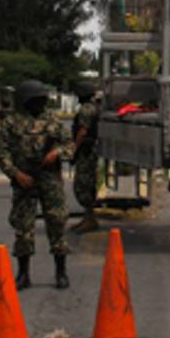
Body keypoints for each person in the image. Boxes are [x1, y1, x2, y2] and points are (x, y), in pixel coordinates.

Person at [0, 80, 75, 290]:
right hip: (24, 179)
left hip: (49, 178)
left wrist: (56, 153)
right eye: (36, 99)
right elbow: (2, 154)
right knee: (23, 227)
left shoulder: (52, 121)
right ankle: (23, 274)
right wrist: (15, 173)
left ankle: (61, 272)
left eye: (42, 99)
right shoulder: (11, 123)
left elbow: (69, 144)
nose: (41, 103)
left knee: (57, 221)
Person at [70, 82, 100, 233]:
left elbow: (82, 131)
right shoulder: (93, 107)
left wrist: (74, 149)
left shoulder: (86, 110)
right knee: (87, 184)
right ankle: (88, 218)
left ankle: (90, 219)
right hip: (90, 149)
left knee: (83, 184)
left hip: (86, 150)